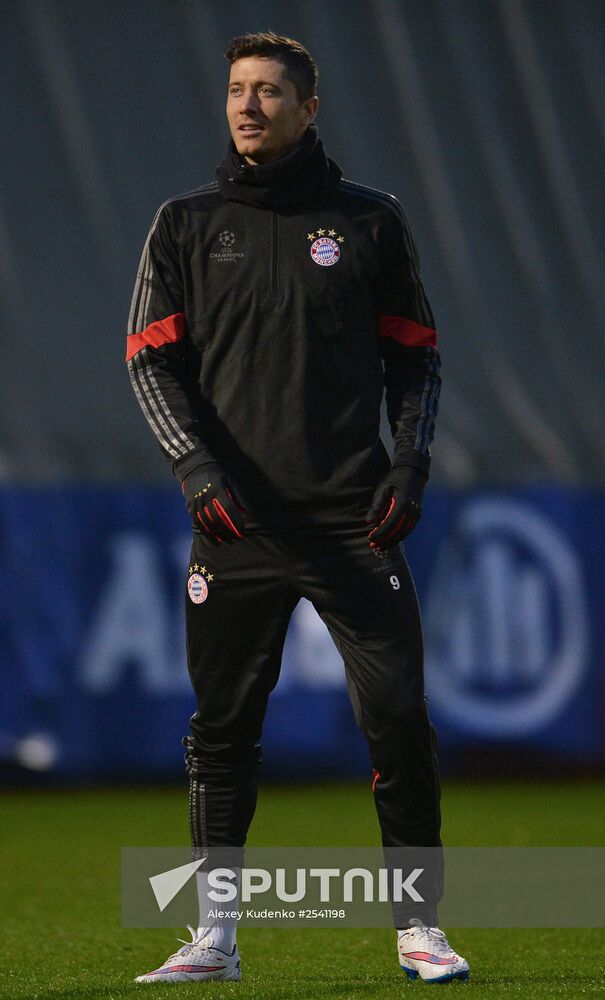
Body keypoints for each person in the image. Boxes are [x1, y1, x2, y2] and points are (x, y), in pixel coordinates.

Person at [127, 32, 469, 986]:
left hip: (353, 520)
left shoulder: (368, 222)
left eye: (269, 91)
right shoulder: (183, 224)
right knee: (222, 730)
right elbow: (149, 360)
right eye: (237, 90)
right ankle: (215, 938)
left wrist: (408, 467)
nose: (247, 106)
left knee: (397, 720)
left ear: (308, 108)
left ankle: (418, 928)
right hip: (233, 525)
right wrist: (197, 470)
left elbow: (418, 357)